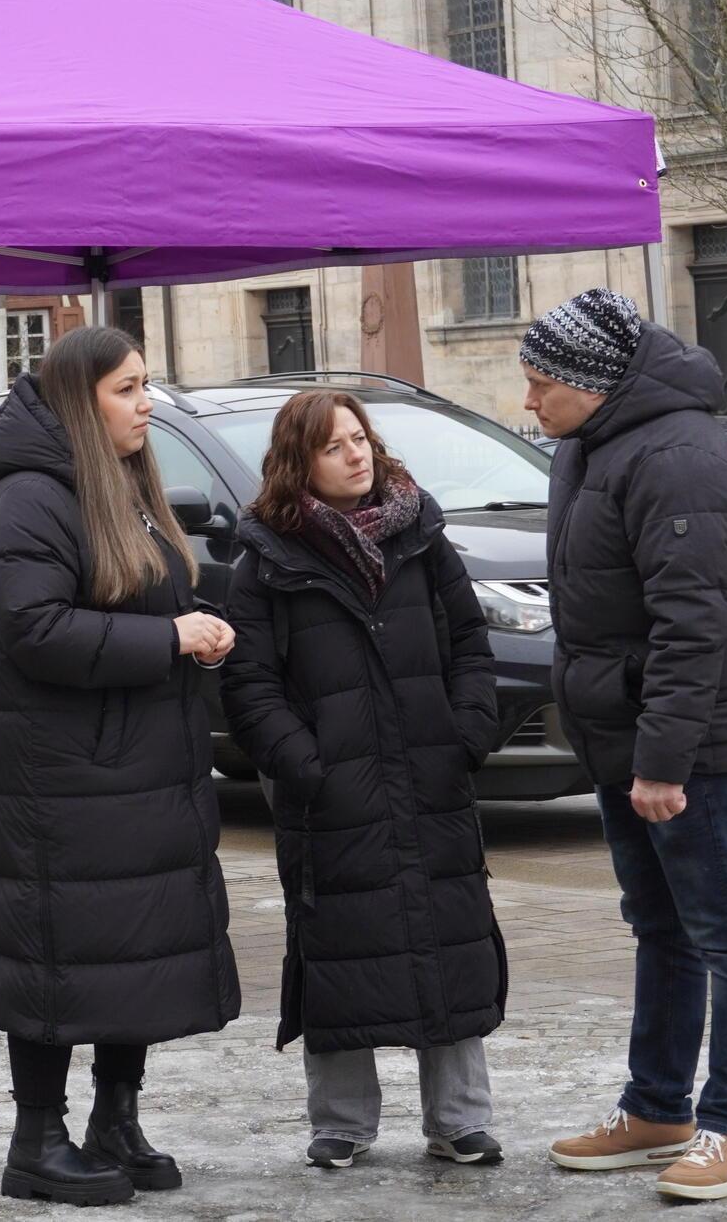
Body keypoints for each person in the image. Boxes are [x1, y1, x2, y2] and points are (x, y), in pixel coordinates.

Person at [0, 326, 241, 1208]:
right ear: (83, 400)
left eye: (147, 385)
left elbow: (136, 596)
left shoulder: (118, 484)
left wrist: (199, 627)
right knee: (55, 954)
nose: (147, 403)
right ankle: (35, 1140)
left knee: (136, 952)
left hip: (134, 769)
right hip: (60, 780)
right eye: (128, 389)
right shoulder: (31, 499)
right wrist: (167, 637)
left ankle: (113, 1120)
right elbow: (35, 629)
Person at [524, 289, 727, 1202]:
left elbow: (694, 623)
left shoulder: (679, 455)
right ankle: (657, 1107)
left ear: (592, 382)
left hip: (687, 743)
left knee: (726, 931)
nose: (529, 400)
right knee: (659, 926)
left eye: (540, 381)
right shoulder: (588, 443)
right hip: (618, 731)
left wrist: (664, 762)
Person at [219, 391, 506, 1171]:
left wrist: (466, 735)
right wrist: (304, 764)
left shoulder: (421, 535)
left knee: (448, 935)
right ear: (297, 464)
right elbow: (249, 685)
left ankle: (460, 1118)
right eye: (334, 446)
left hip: (431, 775)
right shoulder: (268, 561)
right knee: (337, 943)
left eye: (361, 438)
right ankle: (341, 1122)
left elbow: (471, 645)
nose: (357, 454)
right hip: (332, 793)